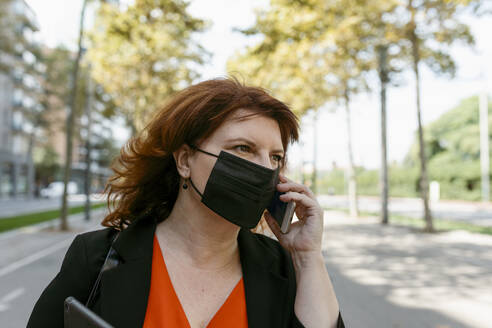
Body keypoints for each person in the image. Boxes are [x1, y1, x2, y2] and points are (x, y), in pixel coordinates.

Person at [27, 78, 345, 328]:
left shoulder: (284, 268)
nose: (266, 168)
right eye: (243, 148)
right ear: (184, 160)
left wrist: (307, 258)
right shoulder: (97, 257)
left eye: (275, 156)